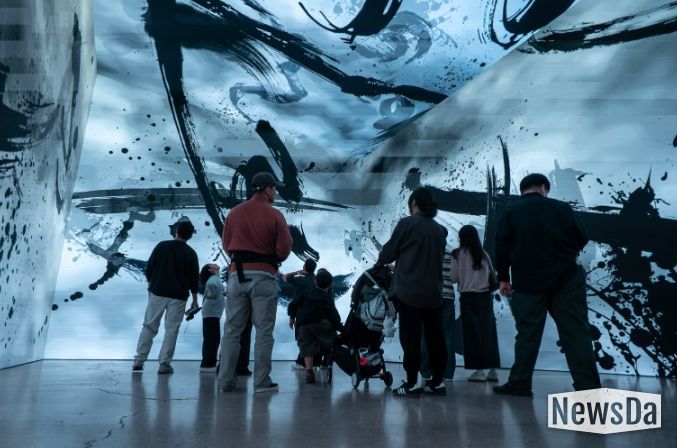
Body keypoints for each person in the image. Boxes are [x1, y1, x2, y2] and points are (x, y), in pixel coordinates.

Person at [494, 173, 601, 397]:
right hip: (566, 278)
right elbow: (582, 236)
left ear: (523, 190)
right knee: (576, 333)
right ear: (544, 188)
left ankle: (520, 383)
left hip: (528, 280)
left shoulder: (511, 211)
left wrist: (504, 277)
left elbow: (501, 247)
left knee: (527, 335)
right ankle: (588, 387)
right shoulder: (562, 208)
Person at [218, 171, 293, 393]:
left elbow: (227, 245)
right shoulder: (275, 215)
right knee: (263, 331)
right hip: (264, 277)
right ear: (268, 189)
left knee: (232, 331)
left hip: (236, 276)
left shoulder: (234, 213)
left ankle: (225, 381)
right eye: (275, 189)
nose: (276, 193)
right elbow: (284, 250)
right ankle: (261, 382)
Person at [377, 187, 448, 397]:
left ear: (414, 203)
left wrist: (380, 263)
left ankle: (411, 383)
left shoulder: (408, 224)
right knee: (435, 338)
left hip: (409, 292)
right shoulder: (439, 230)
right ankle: (437, 383)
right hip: (434, 294)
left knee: (411, 339)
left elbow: (388, 254)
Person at [133, 219, 199, 374]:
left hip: (157, 292)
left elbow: (149, 268)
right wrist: (195, 299)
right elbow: (194, 279)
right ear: (190, 236)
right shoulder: (191, 253)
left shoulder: (162, 246)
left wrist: (150, 288)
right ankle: (164, 364)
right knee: (171, 330)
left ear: (177, 232)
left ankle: (139, 360)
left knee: (149, 326)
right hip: (178, 296)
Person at [450, 225, 500, 382]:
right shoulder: (483, 253)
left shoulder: (457, 254)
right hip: (485, 298)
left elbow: (453, 278)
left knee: (473, 336)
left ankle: (479, 372)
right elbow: (492, 275)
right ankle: (493, 371)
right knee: (488, 333)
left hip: (468, 299)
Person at [288, 269, 342, 384]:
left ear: (315, 281)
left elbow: (294, 304)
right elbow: (332, 313)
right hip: (319, 323)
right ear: (329, 285)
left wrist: (292, 318)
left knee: (307, 347)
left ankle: (309, 372)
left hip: (303, 324)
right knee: (331, 341)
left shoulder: (305, 290)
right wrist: (338, 326)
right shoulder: (326, 296)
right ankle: (327, 363)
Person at [420, 245, 456, 383]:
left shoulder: (425, 251)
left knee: (426, 335)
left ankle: (426, 372)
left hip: (429, 296)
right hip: (447, 297)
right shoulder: (450, 253)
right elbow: (454, 277)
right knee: (447, 335)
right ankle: (448, 373)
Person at [283, 259, 320, 370]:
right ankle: (314, 363)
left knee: (303, 340)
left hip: (302, 315)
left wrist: (298, 272)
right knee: (313, 339)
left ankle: (302, 363)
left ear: (304, 267)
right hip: (316, 315)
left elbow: (285, 277)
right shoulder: (317, 281)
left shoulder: (301, 280)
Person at [198, 264, 225, 373]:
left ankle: (209, 363)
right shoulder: (213, 279)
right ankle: (207, 365)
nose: (215, 264)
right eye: (211, 264)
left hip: (212, 312)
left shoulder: (214, 278)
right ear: (211, 270)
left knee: (212, 338)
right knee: (212, 338)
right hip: (211, 312)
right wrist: (212, 294)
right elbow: (211, 288)